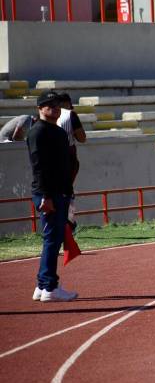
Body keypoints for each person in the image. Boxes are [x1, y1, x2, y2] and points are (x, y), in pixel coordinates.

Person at [27, 91, 78, 302]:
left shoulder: (55, 131)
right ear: (40, 108)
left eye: (57, 104)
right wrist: (46, 197)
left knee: (53, 239)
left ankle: (42, 285)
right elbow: (39, 167)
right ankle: (49, 286)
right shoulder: (38, 132)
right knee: (52, 240)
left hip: (60, 192)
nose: (55, 108)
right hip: (50, 194)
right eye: (49, 105)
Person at [56, 93, 86, 183]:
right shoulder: (70, 114)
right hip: (66, 155)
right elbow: (82, 139)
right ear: (67, 103)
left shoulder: (45, 114)